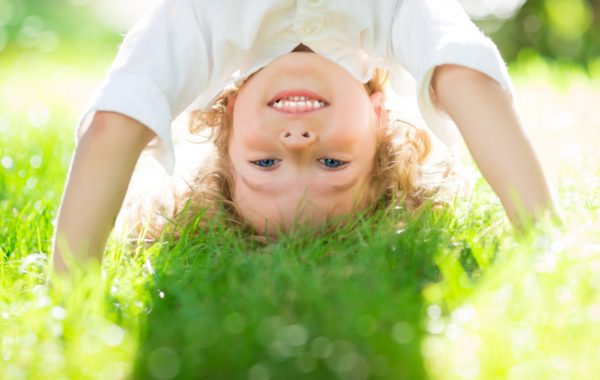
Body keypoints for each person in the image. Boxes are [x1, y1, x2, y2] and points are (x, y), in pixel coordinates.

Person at [52, 0, 555, 272]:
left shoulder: (203, 22)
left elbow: (113, 123)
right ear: (379, 118)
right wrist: (544, 239)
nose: (297, 142)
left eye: (264, 164)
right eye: (334, 164)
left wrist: (69, 291)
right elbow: (464, 74)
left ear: (226, 122)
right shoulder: (395, 13)